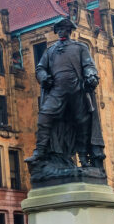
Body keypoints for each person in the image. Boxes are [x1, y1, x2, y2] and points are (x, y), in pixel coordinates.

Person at [29, 16, 105, 172]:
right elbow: (40, 68)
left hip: (77, 90)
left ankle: (83, 158)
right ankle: (40, 151)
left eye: (63, 29)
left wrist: (91, 75)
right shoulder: (50, 51)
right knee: (44, 117)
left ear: (69, 31)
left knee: (81, 123)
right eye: (58, 30)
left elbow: (89, 65)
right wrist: (44, 78)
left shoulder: (80, 47)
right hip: (57, 91)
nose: (60, 32)